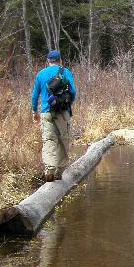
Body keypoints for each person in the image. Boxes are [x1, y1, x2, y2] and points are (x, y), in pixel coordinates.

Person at [31, 50, 76, 182]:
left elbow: (34, 95)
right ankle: (59, 172)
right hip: (62, 113)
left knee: (49, 141)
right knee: (63, 141)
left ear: (48, 60)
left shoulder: (41, 74)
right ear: (59, 60)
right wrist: (66, 104)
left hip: (46, 113)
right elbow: (73, 92)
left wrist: (34, 111)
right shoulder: (66, 72)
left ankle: (49, 170)